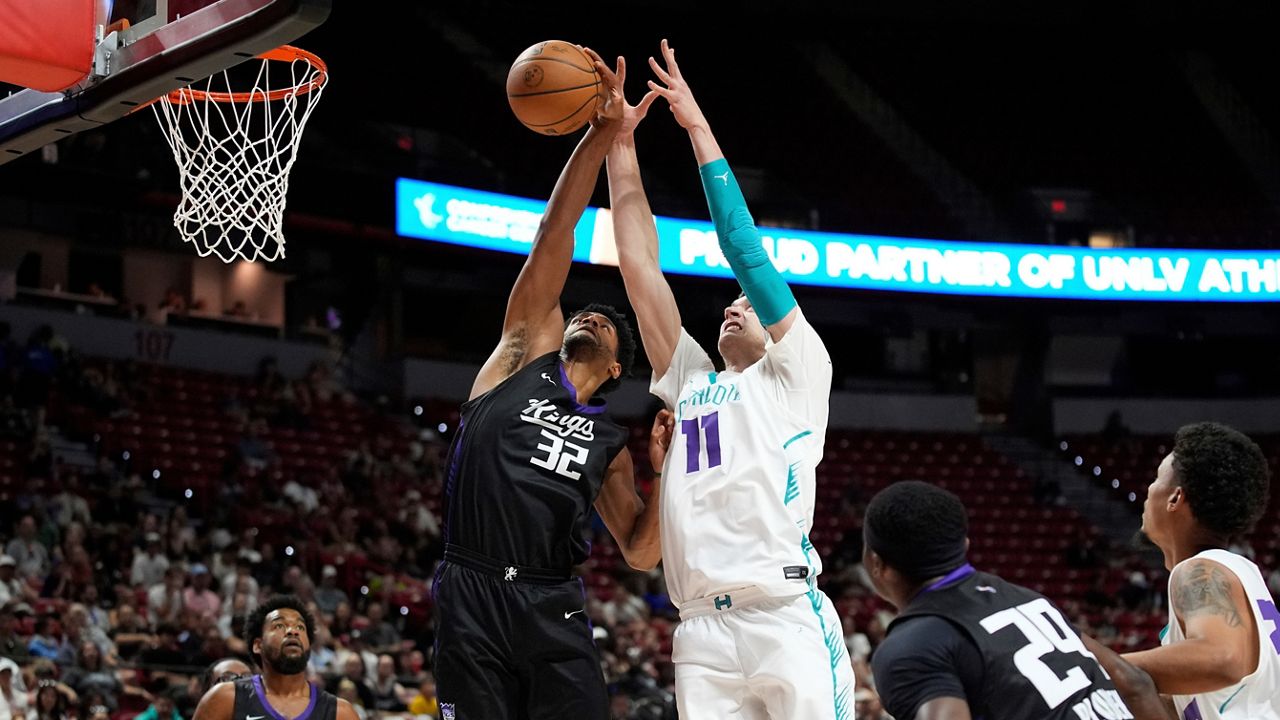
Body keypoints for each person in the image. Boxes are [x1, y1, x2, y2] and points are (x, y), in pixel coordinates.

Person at [606, 39, 852, 717]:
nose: (735, 306)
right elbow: (637, 265)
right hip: (699, 630)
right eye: (731, 303)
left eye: (749, 303)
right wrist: (619, 144)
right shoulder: (690, 378)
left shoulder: (798, 369)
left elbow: (745, 251)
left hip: (783, 613)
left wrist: (696, 126)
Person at [432, 48, 670, 720]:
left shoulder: (609, 443)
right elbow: (554, 231)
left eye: (607, 322)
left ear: (617, 368)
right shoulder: (519, 357)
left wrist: (664, 470)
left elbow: (641, 552)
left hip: (551, 600)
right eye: (584, 313)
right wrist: (600, 133)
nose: (590, 315)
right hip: (471, 586)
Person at [862, 481, 1168, 720]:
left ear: (876, 563)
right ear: (965, 544)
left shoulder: (909, 647)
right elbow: (1135, 683)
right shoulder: (1026, 599)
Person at [1084, 422, 1280, 720]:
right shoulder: (1243, 573)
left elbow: (1221, 659)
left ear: (1175, 498)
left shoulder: (1200, 569)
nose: (1149, 489)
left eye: (1156, 478)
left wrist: (1098, 667)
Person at [191, 595, 357, 720]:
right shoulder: (226, 698)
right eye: (279, 625)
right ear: (258, 645)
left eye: (300, 627)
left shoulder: (340, 712)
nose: (293, 631)